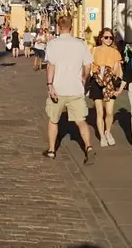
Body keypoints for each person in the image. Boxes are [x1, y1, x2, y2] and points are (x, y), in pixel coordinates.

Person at [44, 15, 96, 164]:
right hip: (76, 89)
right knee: (81, 121)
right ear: (71, 27)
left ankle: (52, 150)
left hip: (58, 89)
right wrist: (84, 78)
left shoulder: (53, 44)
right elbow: (88, 65)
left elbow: (51, 66)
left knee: (53, 120)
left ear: (58, 28)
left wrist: (49, 84)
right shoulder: (80, 44)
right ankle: (89, 147)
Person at [89, 28, 124, 147]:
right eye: (106, 37)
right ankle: (102, 136)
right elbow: (90, 66)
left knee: (109, 112)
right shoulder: (94, 50)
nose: (108, 40)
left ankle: (108, 132)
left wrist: (110, 75)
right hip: (96, 82)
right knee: (99, 112)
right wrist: (97, 72)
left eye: (111, 38)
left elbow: (117, 69)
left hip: (110, 83)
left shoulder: (115, 52)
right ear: (101, 38)